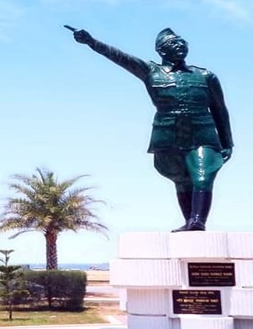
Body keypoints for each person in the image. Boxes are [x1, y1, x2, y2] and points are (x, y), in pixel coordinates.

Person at [69, 27, 233, 231]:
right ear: (161, 51)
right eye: (174, 43)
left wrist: (227, 141)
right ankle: (189, 222)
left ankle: (198, 220)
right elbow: (121, 58)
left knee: (202, 176)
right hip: (168, 135)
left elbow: (220, 109)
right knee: (181, 180)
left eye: (183, 42)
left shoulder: (206, 76)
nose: (180, 45)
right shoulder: (150, 71)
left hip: (203, 134)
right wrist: (92, 42)